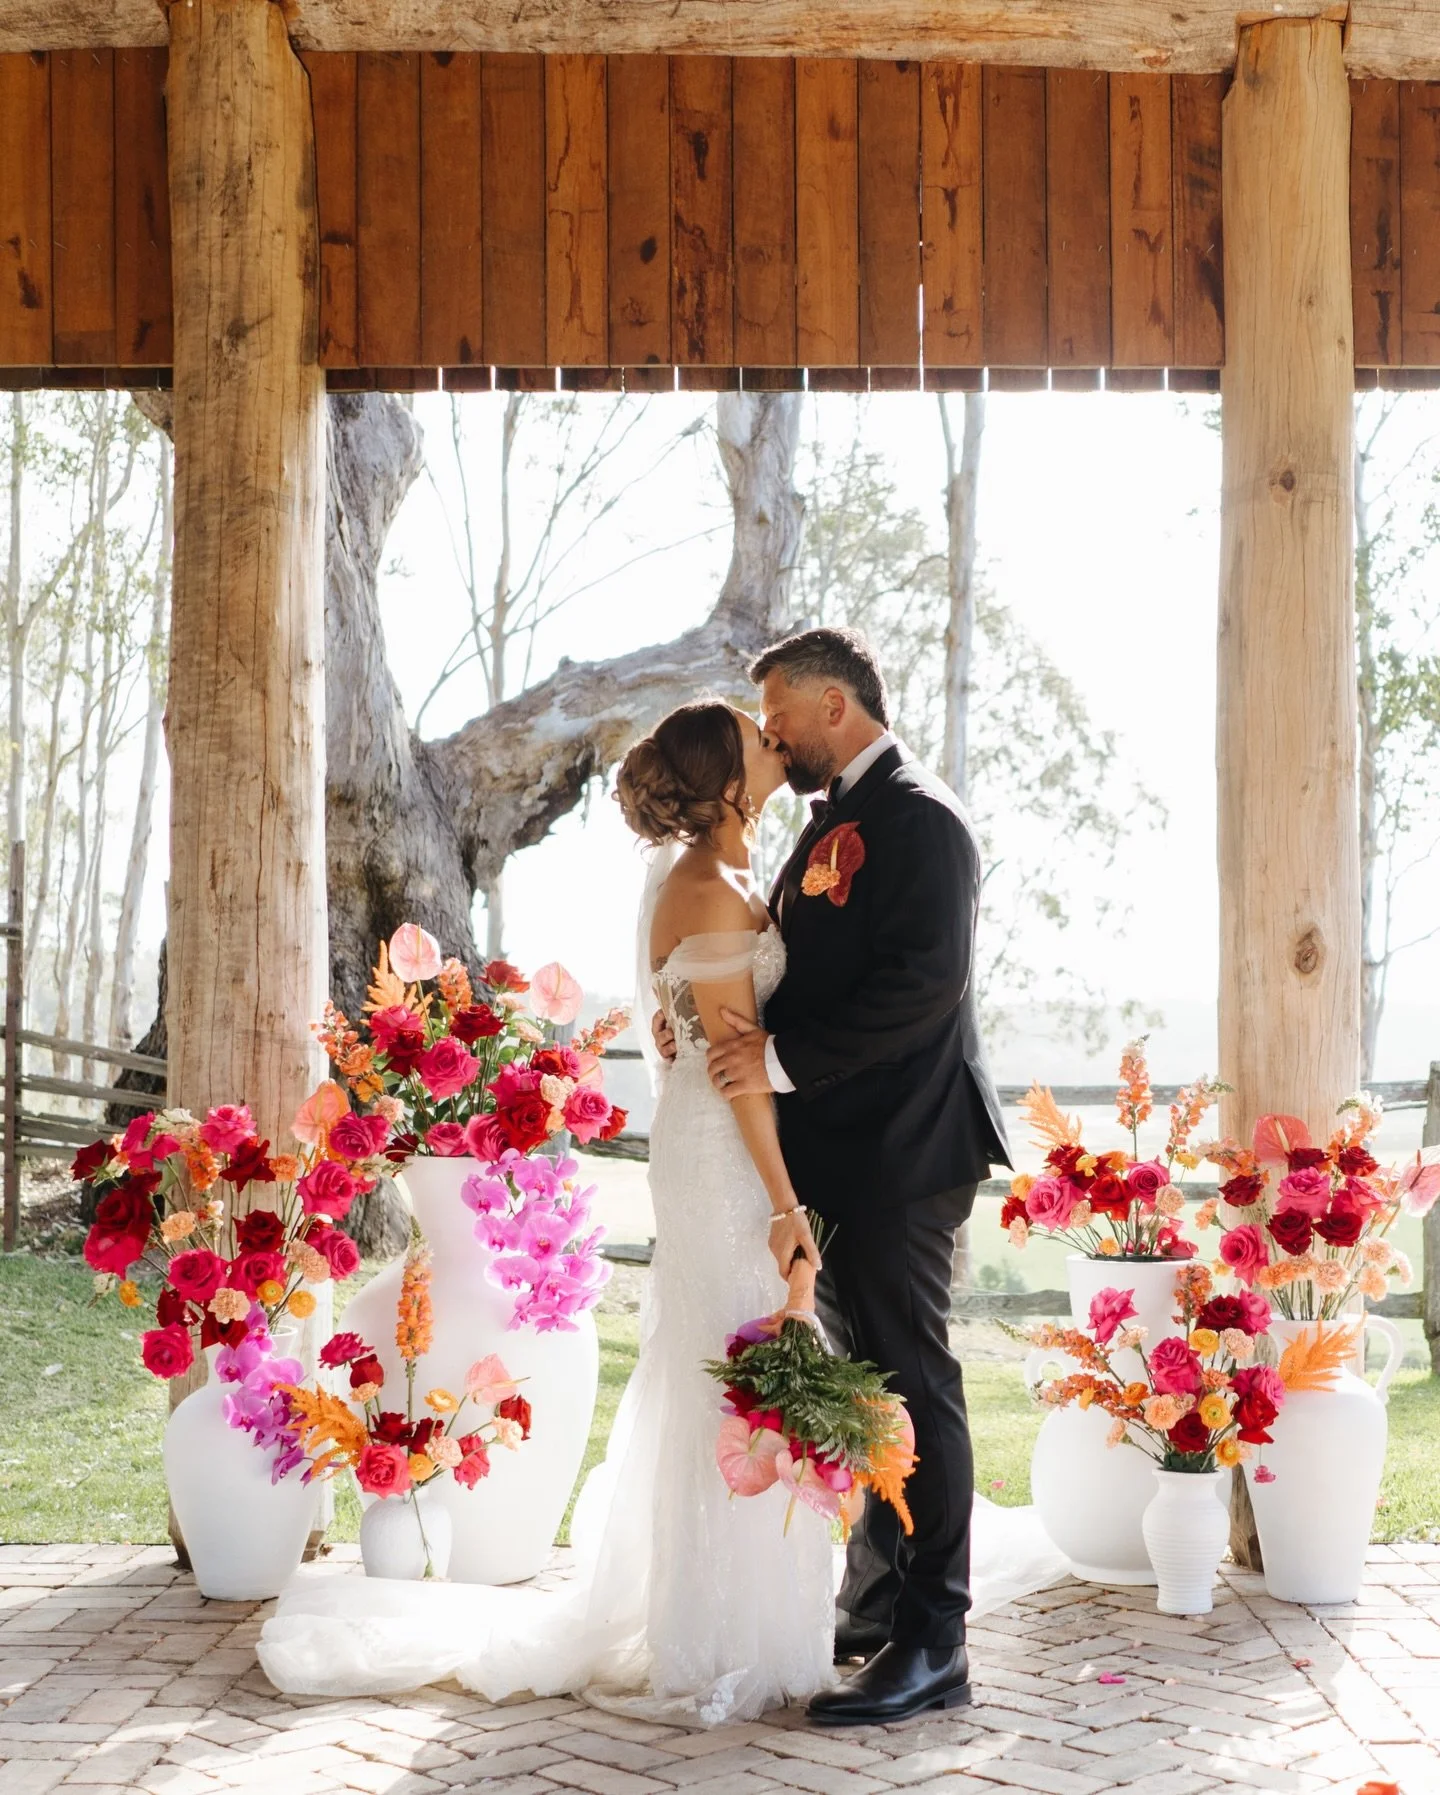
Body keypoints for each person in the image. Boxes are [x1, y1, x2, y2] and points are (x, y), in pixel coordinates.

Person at [696, 626, 1015, 1726]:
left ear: (837, 705)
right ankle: (878, 1603)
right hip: (846, 1155)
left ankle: (938, 1640)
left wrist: (776, 1060)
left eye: (781, 714)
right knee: (872, 1387)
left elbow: (924, 985)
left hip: (904, 1151)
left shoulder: (919, 817)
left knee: (913, 1383)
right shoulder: (836, 821)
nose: (772, 737)